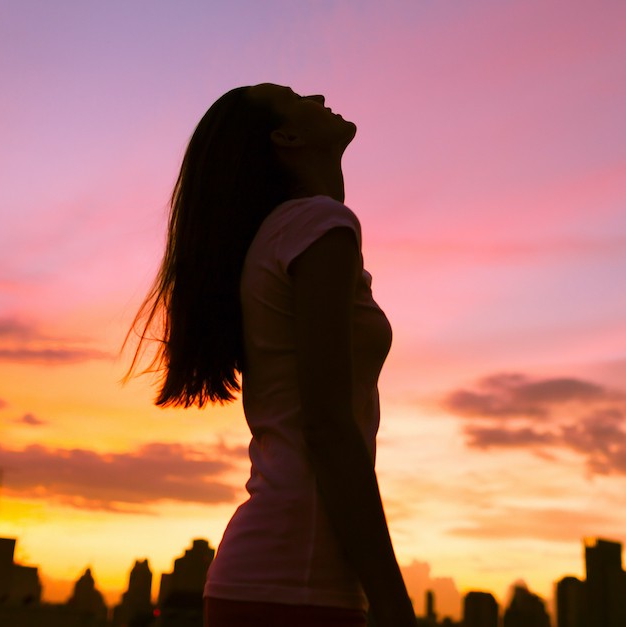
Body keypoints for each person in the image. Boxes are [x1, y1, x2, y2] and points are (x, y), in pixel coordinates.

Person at [128, 83, 416, 627]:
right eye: (294, 96)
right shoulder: (317, 225)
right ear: (285, 137)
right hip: (297, 588)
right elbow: (329, 428)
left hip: (273, 579)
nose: (318, 93)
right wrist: (393, 602)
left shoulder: (283, 234)